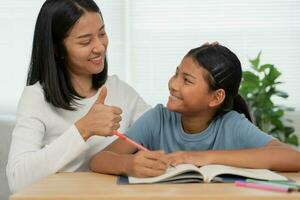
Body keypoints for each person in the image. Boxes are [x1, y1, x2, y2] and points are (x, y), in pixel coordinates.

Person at [90, 44, 300, 178]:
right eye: (176, 73)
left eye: (187, 80)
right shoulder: (158, 119)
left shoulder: (231, 123)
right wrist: (128, 165)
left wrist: (205, 157)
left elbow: (292, 158)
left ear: (216, 97)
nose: (173, 84)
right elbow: (99, 160)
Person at [6, 0, 150, 193]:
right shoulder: (36, 97)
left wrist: (202, 67)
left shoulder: (118, 89)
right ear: (57, 49)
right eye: (85, 41)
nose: (100, 47)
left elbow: (163, 131)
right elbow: (17, 180)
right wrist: (83, 129)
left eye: (102, 33)